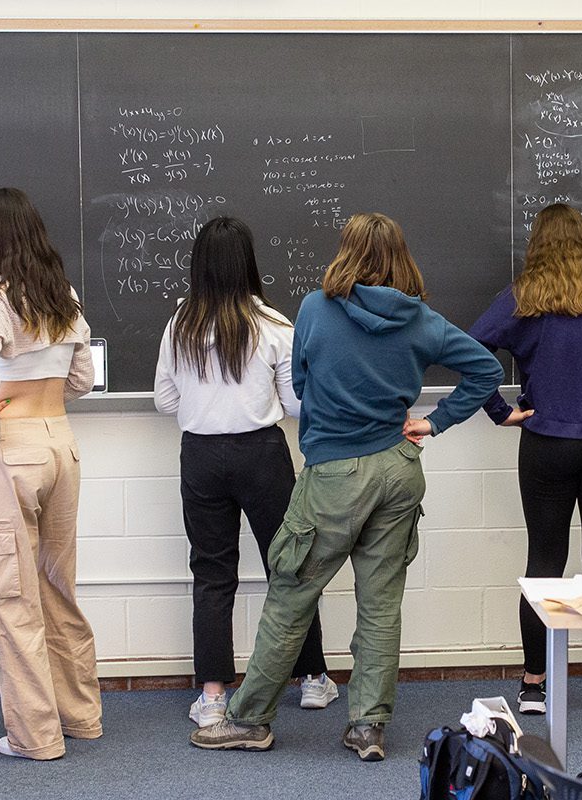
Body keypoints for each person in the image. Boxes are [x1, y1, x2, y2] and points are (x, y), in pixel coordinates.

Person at [190, 212, 504, 762]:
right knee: (380, 605)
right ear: (401, 256)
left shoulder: (316, 308)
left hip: (334, 475)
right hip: (398, 469)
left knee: (291, 594)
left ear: (346, 253)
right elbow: (486, 370)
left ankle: (248, 720)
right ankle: (368, 728)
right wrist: (434, 422)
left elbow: (301, 383)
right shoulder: (422, 320)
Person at [156, 216, 339, 731]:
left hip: (200, 456)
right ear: (248, 265)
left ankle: (213, 696)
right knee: (289, 566)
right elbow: (296, 405)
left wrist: (205, 403)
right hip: (261, 455)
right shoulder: (273, 324)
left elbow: (164, 399)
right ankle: (312, 679)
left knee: (212, 573)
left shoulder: (180, 325)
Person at [469, 204, 582, 716]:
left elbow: (469, 350)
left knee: (544, 562)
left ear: (537, 245)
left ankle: (533, 684)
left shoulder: (523, 298)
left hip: (547, 442)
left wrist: (500, 411)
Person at [0, 187, 103, 761]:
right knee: (57, 589)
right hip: (60, 445)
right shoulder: (61, 291)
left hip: (12, 451)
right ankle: (80, 716)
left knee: (10, 595)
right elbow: (83, 377)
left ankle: (35, 736)